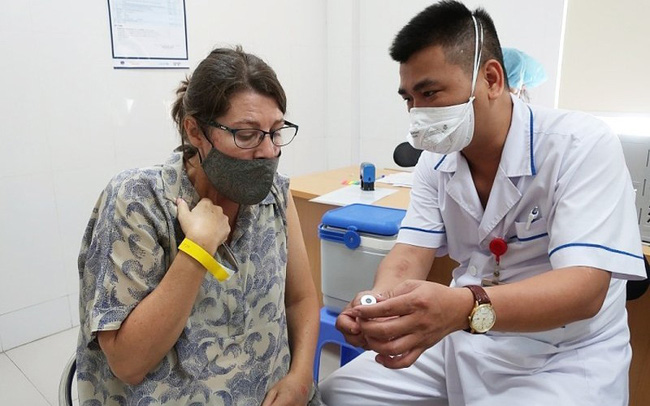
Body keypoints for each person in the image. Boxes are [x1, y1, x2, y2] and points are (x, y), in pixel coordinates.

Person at [320, 1, 645, 405]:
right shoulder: (434, 162)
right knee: (341, 392)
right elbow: (408, 254)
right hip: (466, 336)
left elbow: (585, 290)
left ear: (491, 79)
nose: (417, 112)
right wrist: (380, 304)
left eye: (430, 92)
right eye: (408, 97)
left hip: (562, 353)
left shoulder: (580, 145)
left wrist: (461, 307)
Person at [76, 46, 322, 405]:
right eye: (247, 134)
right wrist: (196, 250)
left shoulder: (276, 196)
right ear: (195, 131)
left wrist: (301, 377)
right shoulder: (139, 200)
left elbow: (301, 300)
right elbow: (128, 363)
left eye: (276, 131)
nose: (268, 151)